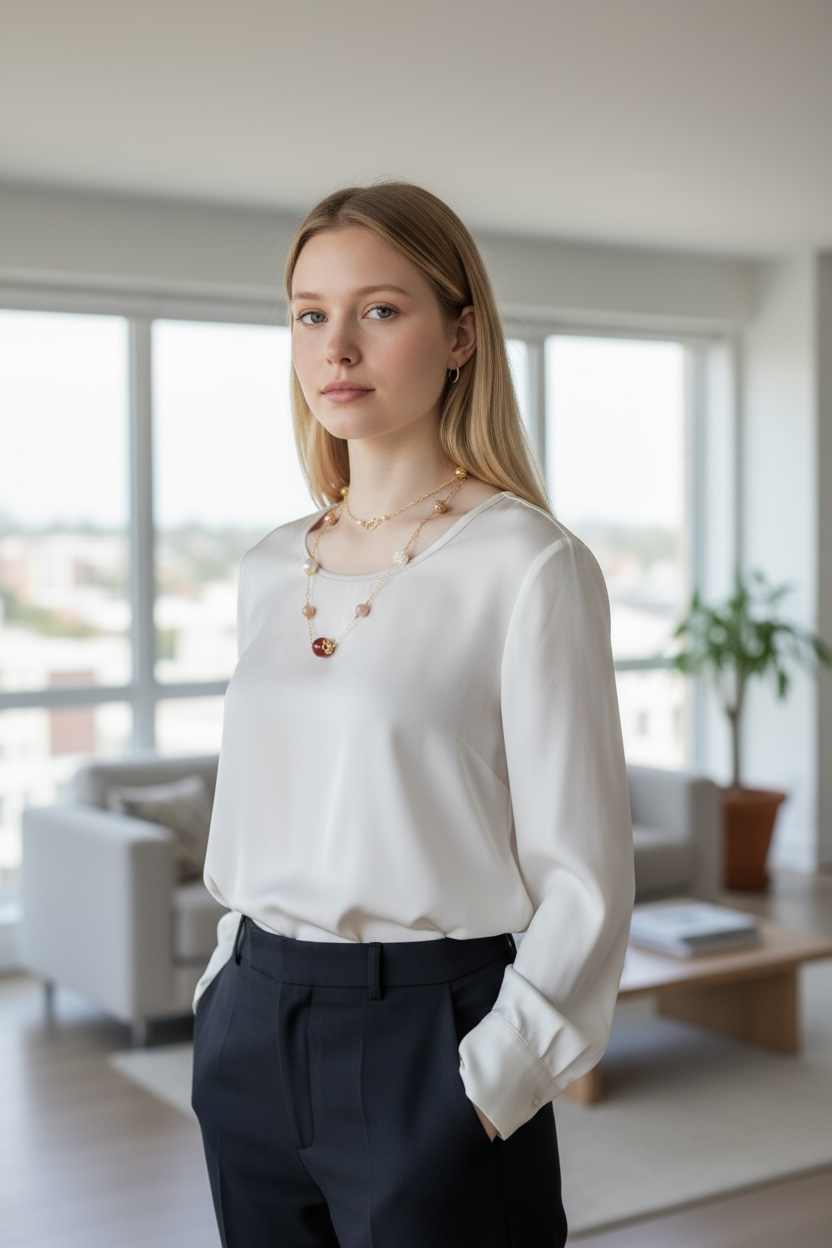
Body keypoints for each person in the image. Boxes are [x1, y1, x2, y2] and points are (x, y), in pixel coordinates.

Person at [191, 181, 634, 1248]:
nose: (335, 345)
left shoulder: (529, 566)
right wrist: (221, 996)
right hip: (251, 1021)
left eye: (379, 310)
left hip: (428, 1043)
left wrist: (493, 1082)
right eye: (309, 313)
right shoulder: (267, 567)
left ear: (460, 335)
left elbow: (585, 874)